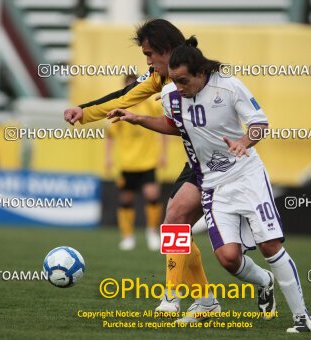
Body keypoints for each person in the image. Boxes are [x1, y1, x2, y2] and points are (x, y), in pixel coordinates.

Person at [107, 38, 311, 333]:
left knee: (269, 244)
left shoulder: (228, 86)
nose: (178, 86)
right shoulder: (170, 94)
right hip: (210, 181)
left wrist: (245, 140)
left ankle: (301, 317)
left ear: (201, 73)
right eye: (174, 80)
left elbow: (258, 123)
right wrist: (139, 118)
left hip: (245, 175)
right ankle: (242, 289)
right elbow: (174, 125)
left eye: (183, 80)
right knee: (227, 258)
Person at [63, 19, 221, 321]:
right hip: (199, 163)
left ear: (166, 49)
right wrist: (84, 111)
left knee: (239, 254)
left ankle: (261, 285)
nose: (148, 61)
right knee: (175, 222)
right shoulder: (159, 79)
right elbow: (122, 96)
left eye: (150, 54)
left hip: (228, 163)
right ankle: (188, 298)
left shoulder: (203, 75)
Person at [105, 74, 165, 251]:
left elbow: (163, 125)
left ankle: (152, 233)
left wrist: (163, 153)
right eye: (128, 88)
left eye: (135, 87)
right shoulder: (119, 108)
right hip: (127, 162)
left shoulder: (151, 105)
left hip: (148, 161)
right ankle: (127, 237)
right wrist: (108, 158)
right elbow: (110, 136)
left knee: (152, 196)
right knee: (126, 199)